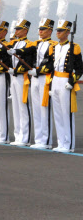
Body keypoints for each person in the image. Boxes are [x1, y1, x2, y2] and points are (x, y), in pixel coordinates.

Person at [15, 18, 56, 149]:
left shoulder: (53, 45)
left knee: (44, 109)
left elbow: (51, 63)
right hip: (35, 78)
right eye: (39, 29)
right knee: (36, 109)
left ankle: (46, 140)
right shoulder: (36, 43)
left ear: (50, 31)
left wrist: (37, 70)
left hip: (45, 77)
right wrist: (15, 51)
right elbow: (27, 52)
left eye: (43, 29)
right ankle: (38, 139)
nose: (40, 31)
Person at [49, 18, 83, 152]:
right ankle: (61, 142)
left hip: (65, 81)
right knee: (57, 113)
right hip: (55, 80)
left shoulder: (74, 47)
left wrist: (71, 82)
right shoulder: (55, 47)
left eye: (61, 31)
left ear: (68, 32)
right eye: (57, 30)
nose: (58, 33)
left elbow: (80, 69)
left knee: (66, 113)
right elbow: (52, 67)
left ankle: (68, 144)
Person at [5, 20, 35, 146]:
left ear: (25, 30)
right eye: (16, 29)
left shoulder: (29, 44)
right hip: (13, 77)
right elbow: (3, 50)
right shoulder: (14, 43)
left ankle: (25, 137)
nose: (16, 31)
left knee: (23, 107)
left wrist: (16, 70)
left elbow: (28, 60)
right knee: (15, 107)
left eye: (19, 29)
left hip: (23, 77)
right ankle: (18, 135)